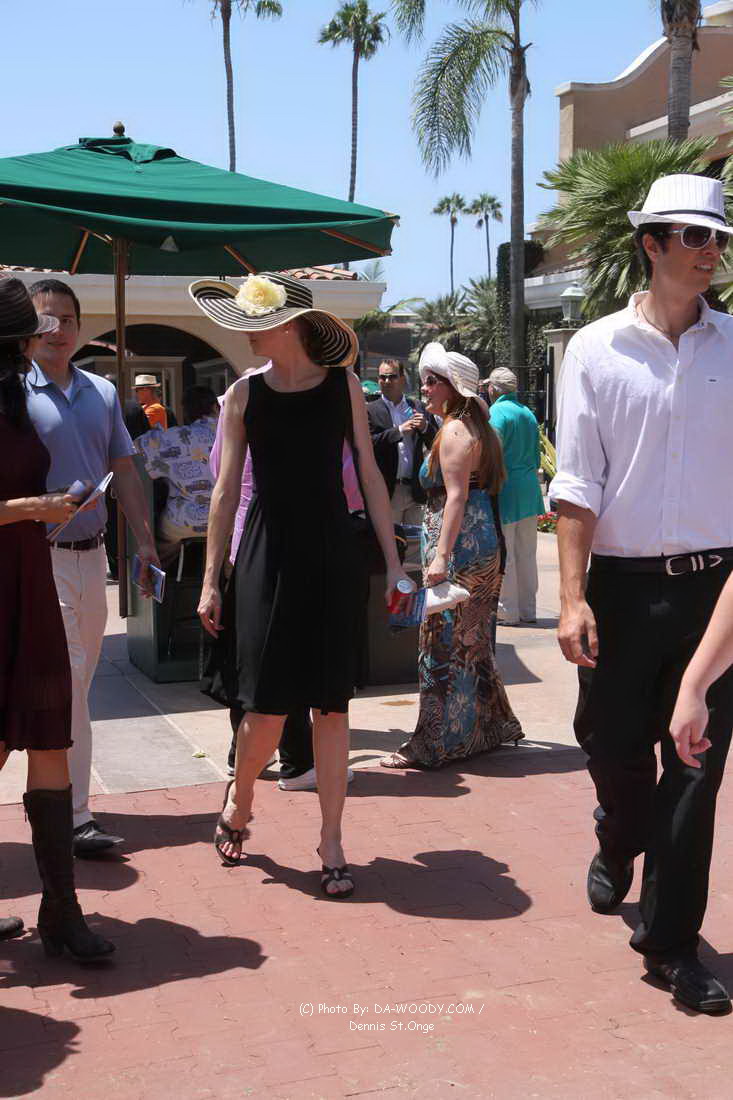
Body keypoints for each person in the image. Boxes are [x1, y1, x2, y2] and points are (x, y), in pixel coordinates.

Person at [551, 173, 733, 1014]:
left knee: (693, 771)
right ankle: (616, 835)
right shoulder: (593, 350)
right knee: (611, 749)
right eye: (693, 235)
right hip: (618, 594)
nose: (709, 250)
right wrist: (571, 597)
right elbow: (576, 484)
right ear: (650, 244)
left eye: (716, 237)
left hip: (715, 594)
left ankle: (668, 946)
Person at [192, 272, 409, 897]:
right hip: (265, 553)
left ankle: (331, 840)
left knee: (332, 705)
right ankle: (240, 800)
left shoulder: (343, 386)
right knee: (264, 706)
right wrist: (211, 580)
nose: (245, 334)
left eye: (254, 324)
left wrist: (394, 561)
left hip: (332, 550)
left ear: (287, 325)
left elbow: (369, 475)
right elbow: (224, 493)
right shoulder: (243, 395)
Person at [0, 276, 114, 960]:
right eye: (28, 332)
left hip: (29, 582)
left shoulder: (17, 397)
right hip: (8, 578)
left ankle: (61, 911)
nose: (37, 341)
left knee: (50, 738)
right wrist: (29, 509)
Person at [26, 278, 160, 857]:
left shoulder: (102, 391)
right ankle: (73, 815)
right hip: (38, 558)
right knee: (68, 683)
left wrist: (145, 543)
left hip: (93, 557)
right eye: (46, 318)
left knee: (78, 688)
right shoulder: (12, 392)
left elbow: (123, 470)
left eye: (67, 319)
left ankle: (62, 803)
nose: (57, 329)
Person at [210, 373, 358, 792]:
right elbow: (348, 482)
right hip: (287, 543)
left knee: (253, 659)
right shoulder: (268, 398)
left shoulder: (242, 396)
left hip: (246, 545)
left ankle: (245, 758)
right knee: (284, 660)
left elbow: (219, 474)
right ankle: (292, 762)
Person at [381, 342, 523, 770]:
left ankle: (432, 743)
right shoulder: (475, 425)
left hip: (461, 549)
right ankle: (482, 731)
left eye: (431, 381)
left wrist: (440, 557)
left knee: (442, 646)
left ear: (451, 387)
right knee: (472, 644)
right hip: (480, 544)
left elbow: (456, 497)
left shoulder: (456, 430)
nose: (423, 388)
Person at [486, 368, 544, 626]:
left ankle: (507, 610)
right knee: (527, 553)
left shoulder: (497, 412)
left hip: (507, 489)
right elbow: (536, 456)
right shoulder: (527, 413)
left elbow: (492, 453)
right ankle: (528, 609)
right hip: (529, 489)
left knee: (506, 552)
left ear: (493, 388)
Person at [137, 385, 220, 566]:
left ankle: (162, 578)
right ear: (215, 407)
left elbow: (137, 449)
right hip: (228, 519)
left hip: (183, 520)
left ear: (186, 412)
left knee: (160, 539)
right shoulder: (234, 434)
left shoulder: (172, 437)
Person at [367, 359, 437, 526]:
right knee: (391, 540)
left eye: (392, 377)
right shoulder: (370, 410)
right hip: (388, 491)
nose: (386, 381)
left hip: (415, 490)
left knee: (415, 540)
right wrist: (398, 431)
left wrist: (425, 427)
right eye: (382, 377)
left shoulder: (418, 407)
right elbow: (368, 444)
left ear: (402, 379)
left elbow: (436, 442)